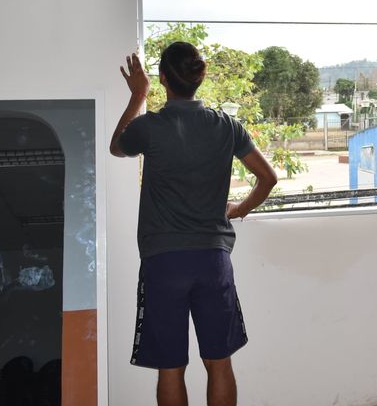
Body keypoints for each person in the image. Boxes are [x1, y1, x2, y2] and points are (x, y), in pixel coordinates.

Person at [110, 41, 277, 406]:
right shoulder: (227, 126)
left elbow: (117, 147)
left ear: (163, 78)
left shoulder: (150, 127)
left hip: (163, 263)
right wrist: (239, 208)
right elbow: (268, 178)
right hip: (213, 261)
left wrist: (138, 95)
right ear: (200, 77)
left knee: (170, 368)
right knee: (219, 362)